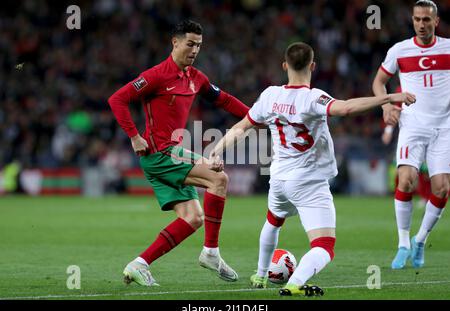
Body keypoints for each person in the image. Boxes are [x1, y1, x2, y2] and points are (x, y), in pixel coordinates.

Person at [208, 42, 415, 296]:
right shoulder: (313, 98)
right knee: (324, 245)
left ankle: (260, 276)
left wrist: (217, 150)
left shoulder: (270, 95)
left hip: (279, 179)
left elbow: (241, 127)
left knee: (273, 221)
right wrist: (388, 97)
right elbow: (347, 107)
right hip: (308, 182)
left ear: (285, 65)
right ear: (312, 66)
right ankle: (295, 283)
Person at [108, 20, 250, 286]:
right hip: (161, 153)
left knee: (193, 217)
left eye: (199, 45)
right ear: (175, 42)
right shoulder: (156, 75)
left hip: (169, 154)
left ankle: (138, 265)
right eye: (190, 44)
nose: (195, 50)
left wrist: (256, 115)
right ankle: (211, 253)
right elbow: (117, 99)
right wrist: (134, 136)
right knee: (219, 179)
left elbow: (225, 100)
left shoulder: (196, 78)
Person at [372, 0, 450, 270]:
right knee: (405, 180)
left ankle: (420, 239)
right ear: (412, 20)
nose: (421, 24)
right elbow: (379, 82)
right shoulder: (400, 50)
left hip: (445, 127)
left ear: (436, 22)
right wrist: (385, 106)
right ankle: (403, 242)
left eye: (427, 20)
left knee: (442, 188)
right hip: (413, 125)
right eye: (417, 19)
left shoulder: (448, 48)